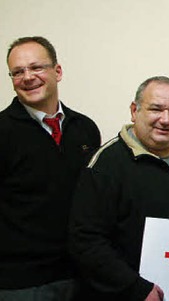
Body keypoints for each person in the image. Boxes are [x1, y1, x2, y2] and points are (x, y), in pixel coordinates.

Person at [69, 76, 169, 300]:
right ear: (134, 110)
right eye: (156, 109)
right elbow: (86, 242)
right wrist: (135, 288)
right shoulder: (106, 164)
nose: (166, 119)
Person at [0, 36, 101, 300]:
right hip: (21, 284)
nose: (28, 77)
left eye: (36, 67)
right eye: (18, 72)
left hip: (82, 276)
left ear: (57, 71)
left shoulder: (85, 129)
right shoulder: (3, 131)